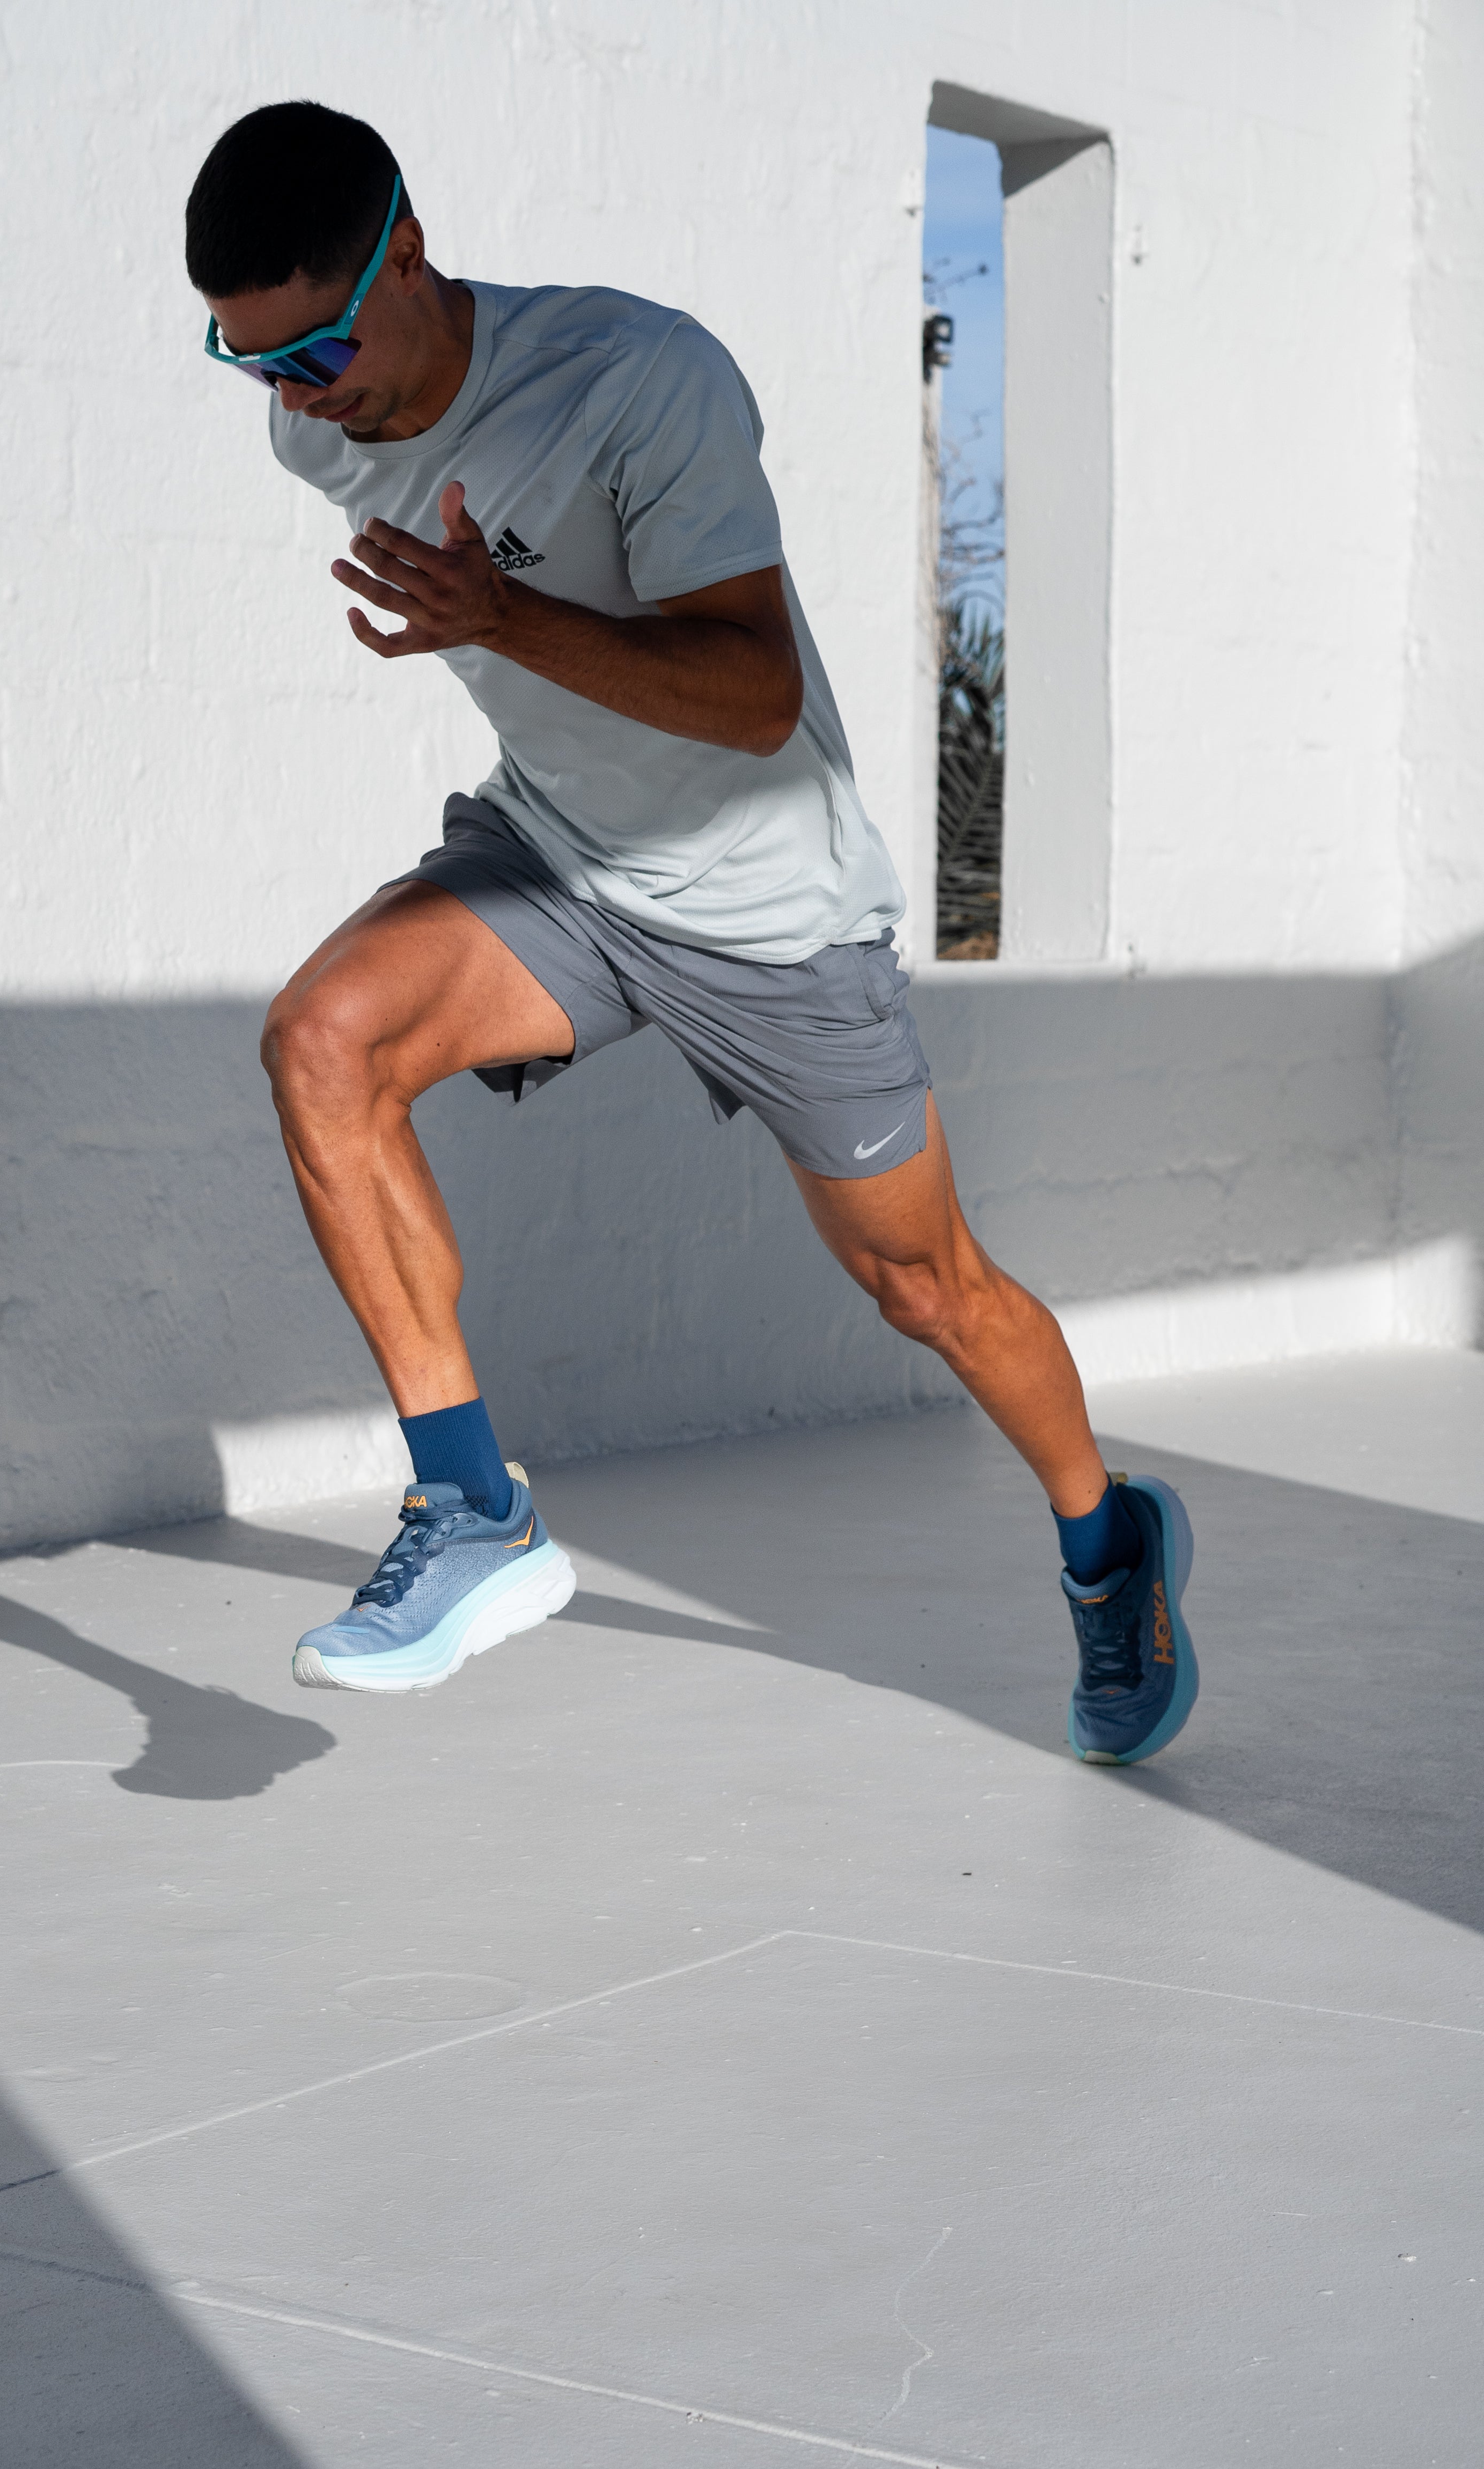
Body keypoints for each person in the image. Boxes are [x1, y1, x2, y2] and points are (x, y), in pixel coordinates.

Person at [186, 99, 1198, 1767]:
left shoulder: (638, 379)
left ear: (407, 254)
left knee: (930, 1288)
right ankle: (472, 1510)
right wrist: (490, 624)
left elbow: (754, 696)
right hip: (564, 861)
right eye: (256, 365)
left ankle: (1108, 1541)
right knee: (323, 1041)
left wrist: (505, 616)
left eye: (321, 351)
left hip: (765, 907)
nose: (301, 399)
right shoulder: (320, 437)